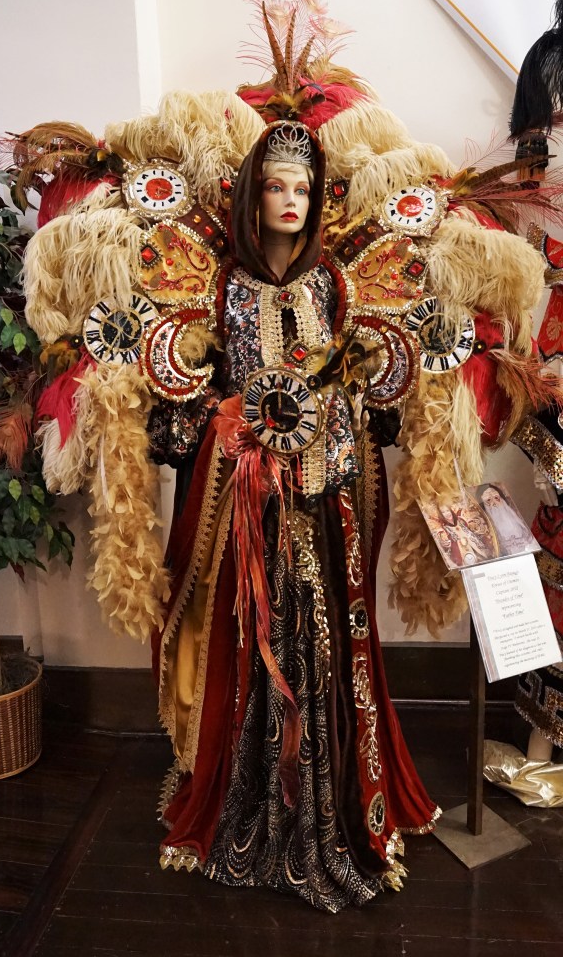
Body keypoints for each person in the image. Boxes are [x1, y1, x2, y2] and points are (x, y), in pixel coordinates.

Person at [152, 120, 440, 913]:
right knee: (256, 632)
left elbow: (360, 383)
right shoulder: (225, 288)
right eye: (276, 185)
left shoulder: (332, 285)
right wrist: (233, 424)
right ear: (253, 193)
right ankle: (253, 796)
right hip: (249, 498)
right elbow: (195, 396)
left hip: (323, 493)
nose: (290, 200)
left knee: (327, 633)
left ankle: (337, 799)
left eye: (303, 188)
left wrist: (329, 424)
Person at [479, 484, 535, 556]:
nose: (494, 503)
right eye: (489, 500)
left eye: (496, 498)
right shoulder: (486, 525)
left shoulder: (511, 515)